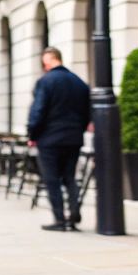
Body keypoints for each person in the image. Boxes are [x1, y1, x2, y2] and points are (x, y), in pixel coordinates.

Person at [26, 46, 92, 231]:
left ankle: (60, 220)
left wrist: (32, 134)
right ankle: (74, 213)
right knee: (70, 178)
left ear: (48, 59)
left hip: (50, 139)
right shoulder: (79, 82)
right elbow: (87, 113)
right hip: (73, 138)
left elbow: (38, 110)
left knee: (52, 179)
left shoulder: (46, 81)